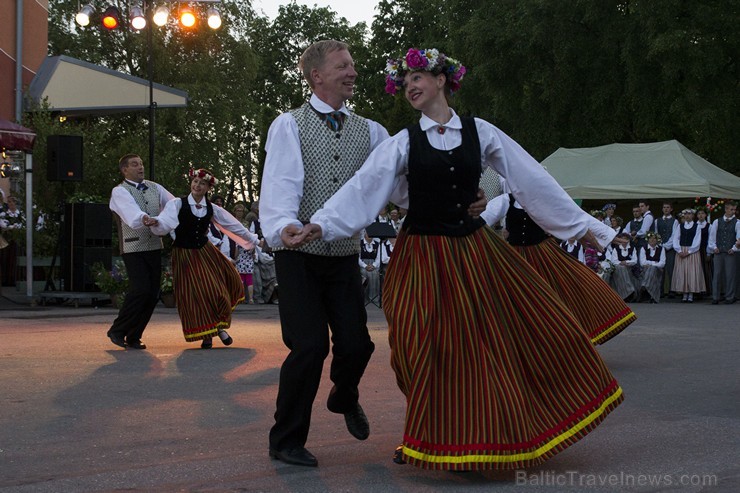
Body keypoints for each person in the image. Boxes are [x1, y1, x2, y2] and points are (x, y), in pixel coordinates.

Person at [296, 47, 624, 471]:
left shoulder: (481, 132)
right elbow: (364, 189)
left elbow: (529, 179)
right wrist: (320, 225)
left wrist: (585, 228)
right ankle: (430, 432)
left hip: (473, 253)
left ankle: (478, 441)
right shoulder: (401, 144)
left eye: (419, 77)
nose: (410, 86)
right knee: (416, 345)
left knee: (493, 343)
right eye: (405, 81)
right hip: (422, 256)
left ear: (442, 81)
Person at [482, 193, 635, 344]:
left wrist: (608, 235)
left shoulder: (545, 198)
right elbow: (482, 220)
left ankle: (563, 339)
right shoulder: (505, 200)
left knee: (575, 285)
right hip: (515, 257)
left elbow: (576, 216)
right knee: (511, 299)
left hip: (542, 254)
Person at [150, 168, 257, 348]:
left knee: (218, 289)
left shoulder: (212, 208)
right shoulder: (177, 204)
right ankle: (210, 334)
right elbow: (166, 222)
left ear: (208, 188)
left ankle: (219, 327)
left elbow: (233, 225)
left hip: (205, 251)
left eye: (202, 183)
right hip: (184, 254)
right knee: (195, 296)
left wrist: (253, 239)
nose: (197, 185)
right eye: (195, 182)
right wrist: (156, 223)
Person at [107, 154, 175, 349]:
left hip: (154, 245)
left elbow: (173, 205)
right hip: (133, 247)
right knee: (140, 289)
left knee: (153, 293)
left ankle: (134, 335)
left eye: (141, 164)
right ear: (124, 170)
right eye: (135, 164)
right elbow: (130, 213)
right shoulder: (119, 191)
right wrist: (144, 218)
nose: (140, 167)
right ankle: (118, 330)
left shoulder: (156, 187)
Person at [708, 201, 739, 304]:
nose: (733, 211)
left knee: (730, 275)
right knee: (717, 274)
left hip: (730, 252)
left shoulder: (737, 222)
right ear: (726, 209)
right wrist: (714, 247)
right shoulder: (717, 221)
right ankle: (715, 297)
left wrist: (734, 248)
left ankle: (729, 297)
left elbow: (739, 238)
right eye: (731, 209)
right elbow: (712, 237)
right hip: (719, 251)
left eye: (734, 209)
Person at [670, 209, 706, 303]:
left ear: (693, 216)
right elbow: (676, 238)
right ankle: (684, 294)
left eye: (689, 214)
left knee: (691, 272)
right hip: (681, 250)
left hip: (692, 252)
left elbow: (697, 240)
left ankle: (690, 294)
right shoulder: (680, 226)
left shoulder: (697, 226)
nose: (687, 216)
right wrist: (678, 250)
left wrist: (689, 251)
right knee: (682, 272)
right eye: (685, 214)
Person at [653, 202, 678, 298]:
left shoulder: (674, 221)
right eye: (664, 207)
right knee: (660, 269)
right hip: (659, 248)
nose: (666, 209)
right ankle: (660, 290)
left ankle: (672, 290)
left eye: (668, 207)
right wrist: (659, 245)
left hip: (670, 248)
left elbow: (674, 235)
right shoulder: (657, 221)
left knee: (671, 269)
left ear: (671, 209)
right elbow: (656, 234)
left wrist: (667, 246)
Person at [638, 231, 666, 303]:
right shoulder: (643, 248)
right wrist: (655, 263)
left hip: (657, 270)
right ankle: (652, 296)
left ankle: (645, 285)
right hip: (645, 270)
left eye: (654, 238)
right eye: (650, 238)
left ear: (657, 240)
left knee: (652, 268)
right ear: (648, 239)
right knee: (652, 269)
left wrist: (650, 263)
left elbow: (662, 263)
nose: (652, 240)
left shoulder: (661, 249)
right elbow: (642, 263)